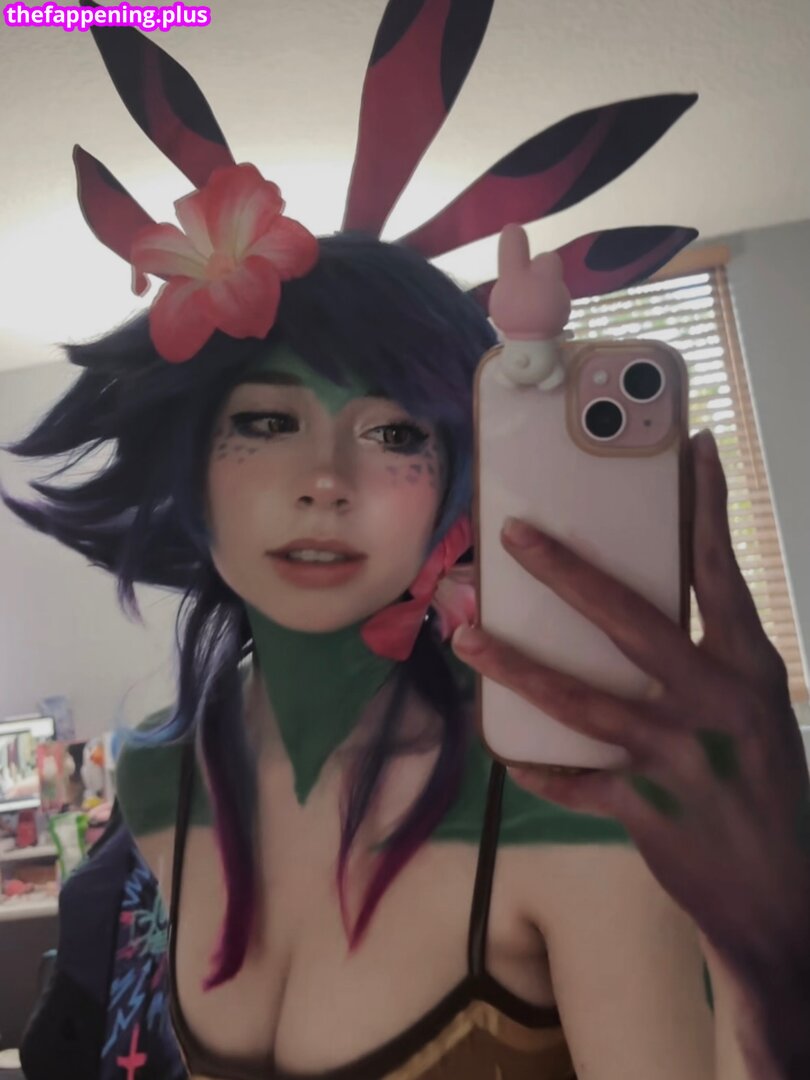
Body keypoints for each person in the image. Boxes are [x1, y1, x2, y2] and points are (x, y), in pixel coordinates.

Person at [3, 3, 808, 1078]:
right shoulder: (156, 779)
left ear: (458, 484)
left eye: (394, 435)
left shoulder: (558, 793)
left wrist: (771, 940)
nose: (326, 481)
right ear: (191, 462)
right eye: (267, 422)